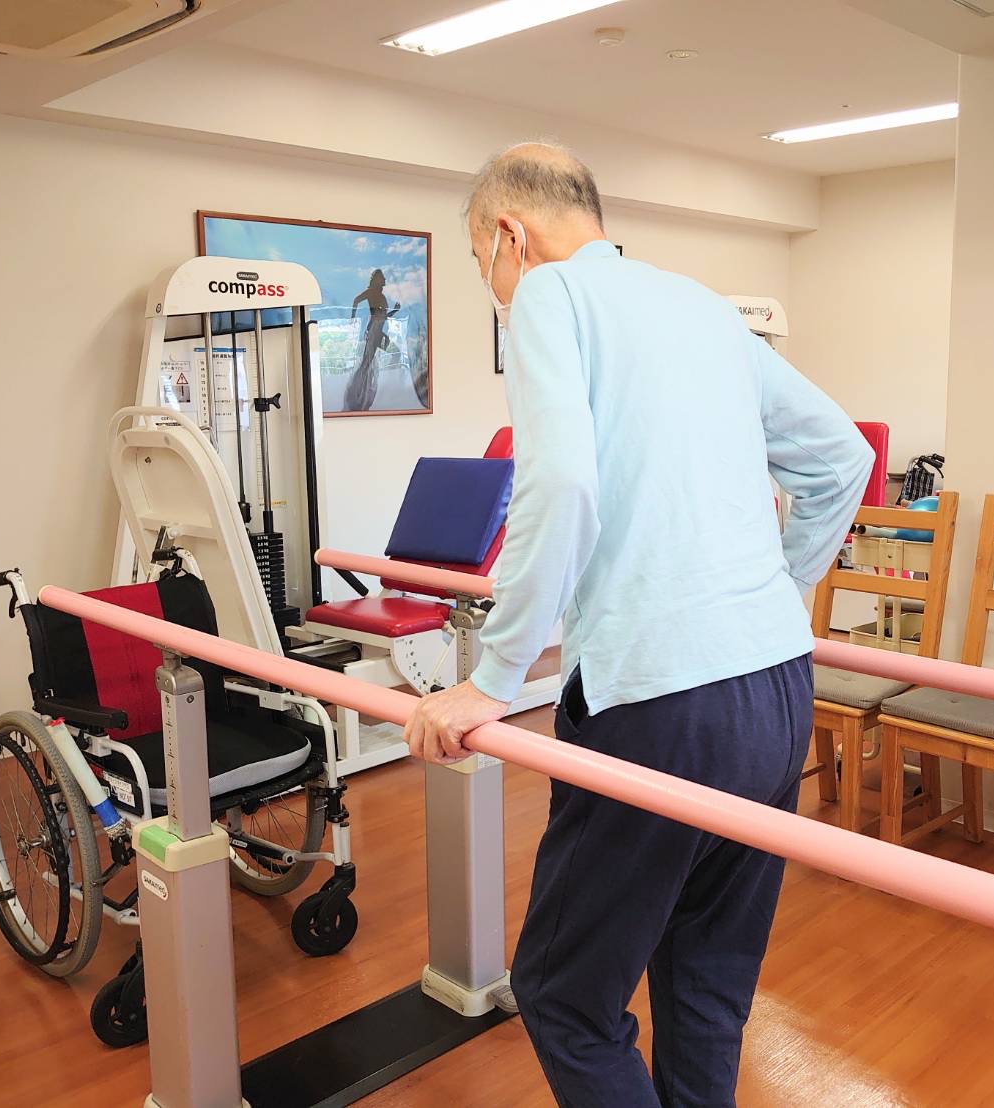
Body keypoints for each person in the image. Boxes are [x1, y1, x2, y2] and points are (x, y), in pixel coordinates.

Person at [403, 142, 873, 1106]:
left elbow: (562, 484)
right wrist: (773, 593)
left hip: (662, 707)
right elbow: (841, 458)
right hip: (777, 689)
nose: (493, 286)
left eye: (482, 263)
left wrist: (492, 678)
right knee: (705, 981)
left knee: (563, 996)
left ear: (508, 234)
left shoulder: (549, 294)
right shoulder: (700, 305)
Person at [345, 268, 400, 411]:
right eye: (382, 278)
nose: (385, 280)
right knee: (367, 362)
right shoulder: (371, 292)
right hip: (374, 330)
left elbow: (384, 317)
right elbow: (356, 300)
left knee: (379, 358)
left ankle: (361, 391)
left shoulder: (381, 296)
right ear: (377, 280)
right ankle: (357, 393)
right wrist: (353, 318)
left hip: (378, 331)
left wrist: (395, 311)